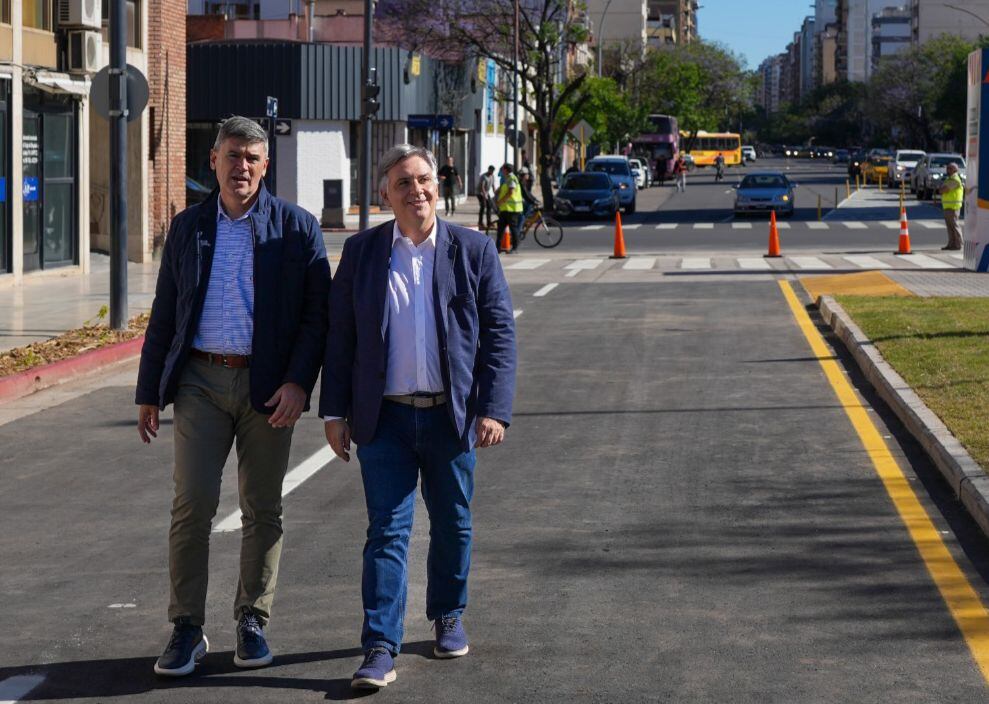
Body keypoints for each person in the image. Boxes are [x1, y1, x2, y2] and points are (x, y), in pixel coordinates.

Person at [135, 116, 331, 678]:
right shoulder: (188, 226)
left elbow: (317, 317)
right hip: (199, 380)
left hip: (270, 389)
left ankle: (252, 617)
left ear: (266, 165)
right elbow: (166, 313)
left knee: (262, 507)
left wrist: (299, 381)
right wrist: (150, 390)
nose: (240, 167)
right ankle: (186, 628)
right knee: (191, 505)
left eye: (251, 157)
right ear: (213, 161)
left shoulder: (296, 229)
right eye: (231, 156)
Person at [321, 144, 517, 691]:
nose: (417, 191)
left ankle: (448, 614)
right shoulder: (362, 253)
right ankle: (379, 647)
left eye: (424, 179)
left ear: (439, 184)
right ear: (385, 193)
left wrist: (494, 408)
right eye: (403, 183)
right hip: (382, 419)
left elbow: (499, 335)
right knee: (387, 531)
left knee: (454, 523)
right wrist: (334, 412)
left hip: (449, 419)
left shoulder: (472, 250)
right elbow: (341, 339)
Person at [939, 162, 968, 251]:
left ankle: (958, 244)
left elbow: (943, 190)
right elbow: (942, 189)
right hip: (948, 206)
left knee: (954, 226)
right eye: (947, 168)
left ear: (955, 170)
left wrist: (942, 189)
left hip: (953, 206)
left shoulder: (955, 179)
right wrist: (942, 189)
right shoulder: (949, 179)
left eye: (950, 168)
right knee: (950, 227)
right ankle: (951, 244)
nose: (947, 170)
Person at [496, 163, 525, 252]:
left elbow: (510, 192)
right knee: (500, 229)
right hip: (505, 209)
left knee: (513, 229)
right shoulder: (507, 179)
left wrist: (501, 201)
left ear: (506, 170)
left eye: (502, 169)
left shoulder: (512, 179)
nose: (501, 171)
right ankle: (498, 248)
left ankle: (515, 247)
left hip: (512, 209)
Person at [476, 165, 497, 232]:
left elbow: (493, 186)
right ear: (488, 170)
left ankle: (489, 222)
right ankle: (480, 222)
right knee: (483, 206)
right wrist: (484, 195)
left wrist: (495, 193)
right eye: (490, 170)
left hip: (487, 193)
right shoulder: (484, 176)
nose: (491, 172)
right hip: (480, 193)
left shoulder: (492, 176)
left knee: (489, 207)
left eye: (493, 171)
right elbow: (482, 187)